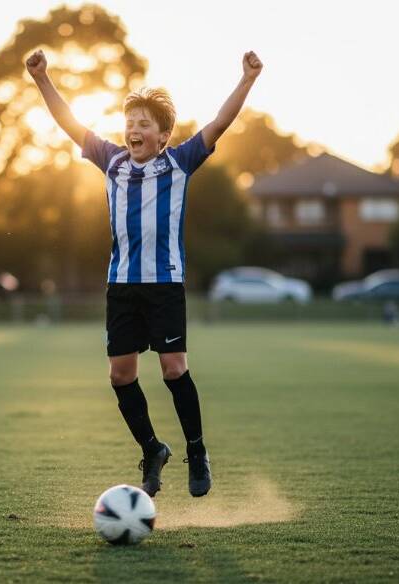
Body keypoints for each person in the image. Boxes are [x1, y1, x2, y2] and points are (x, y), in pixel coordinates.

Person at [26, 48, 263, 497]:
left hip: (165, 284)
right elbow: (70, 122)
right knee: (121, 375)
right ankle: (152, 448)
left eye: (144, 124)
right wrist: (43, 79)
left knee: (174, 368)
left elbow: (219, 123)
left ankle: (197, 450)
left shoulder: (179, 162)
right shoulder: (111, 161)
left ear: (163, 135)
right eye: (130, 121)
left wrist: (246, 80)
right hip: (122, 286)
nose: (133, 129)